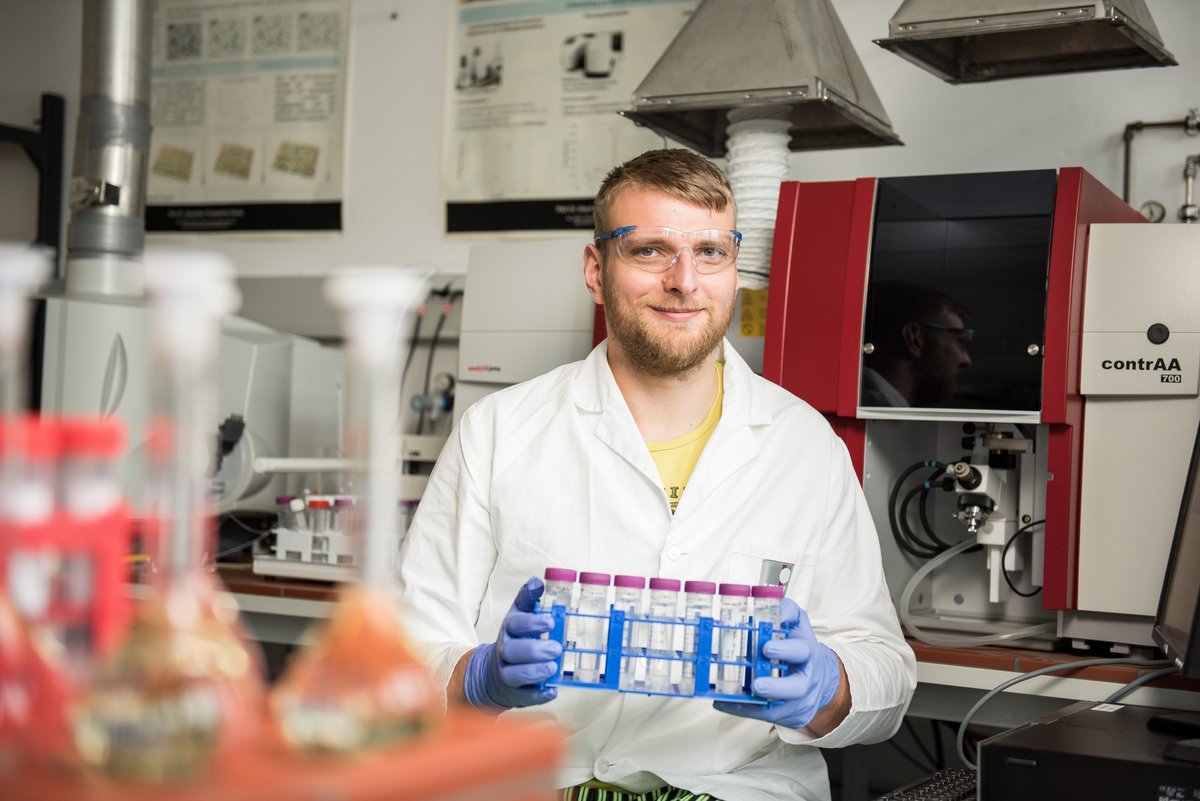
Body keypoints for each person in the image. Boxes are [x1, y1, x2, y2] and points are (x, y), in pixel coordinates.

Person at [395, 148, 916, 801]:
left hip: (731, 787)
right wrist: (475, 678)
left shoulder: (803, 445)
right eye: (650, 251)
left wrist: (827, 685)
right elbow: (401, 655)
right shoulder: (498, 431)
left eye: (711, 252)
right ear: (596, 268)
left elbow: (886, 673)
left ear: (733, 268)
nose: (685, 280)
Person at [860, 281, 974, 408]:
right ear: (914, 339)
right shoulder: (882, 416)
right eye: (960, 341)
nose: (967, 360)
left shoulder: (865, 404)